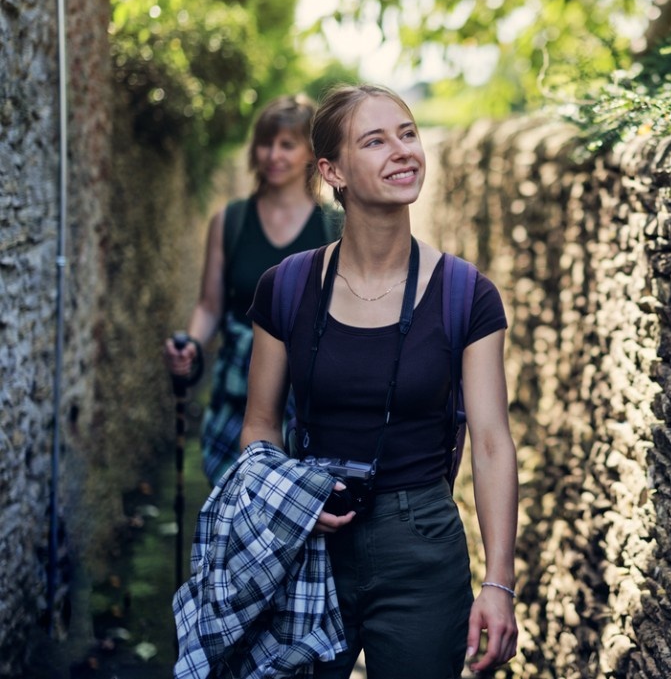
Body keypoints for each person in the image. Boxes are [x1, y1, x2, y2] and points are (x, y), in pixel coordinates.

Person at [239, 84, 519, 677]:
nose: (402, 151)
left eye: (408, 134)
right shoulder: (285, 288)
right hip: (307, 542)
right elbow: (259, 429)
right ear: (332, 170)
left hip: (422, 545)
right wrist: (290, 500)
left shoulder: (468, 295)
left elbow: (492, 442)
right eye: (375, 140)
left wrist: (499, 583)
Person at [164, 94, 340, 484]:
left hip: (308, 401)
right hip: (235, 396)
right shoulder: (230, 221)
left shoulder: (334, 226)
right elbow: (210, 307)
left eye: (287, 144)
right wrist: (191, 346)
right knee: (234, 513)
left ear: (311, 154)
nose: (273, 154)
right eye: (265, 142)